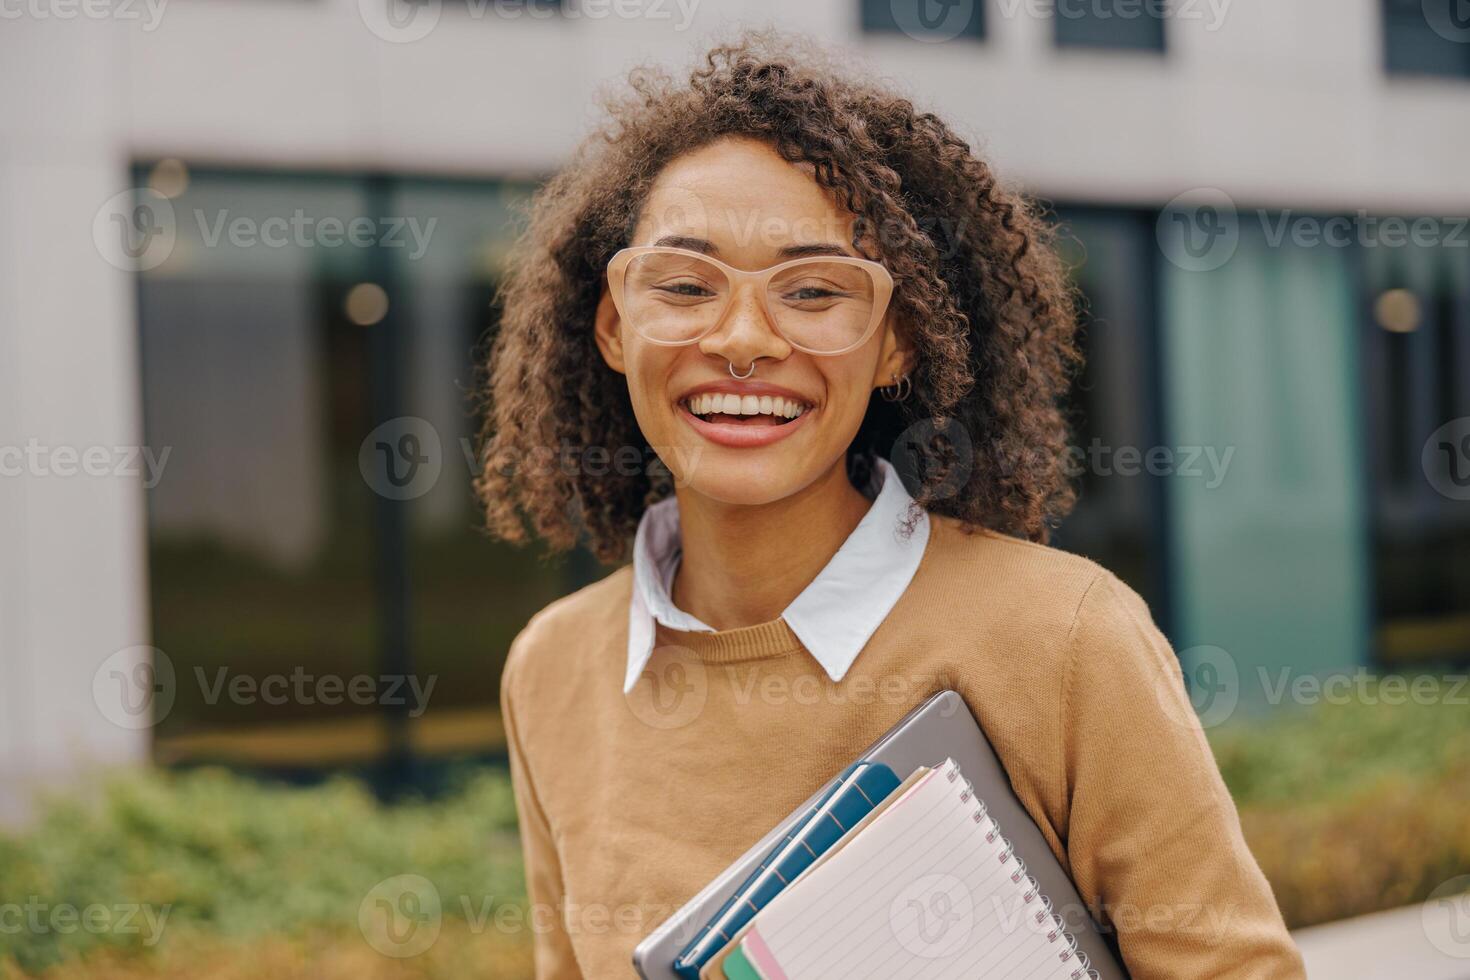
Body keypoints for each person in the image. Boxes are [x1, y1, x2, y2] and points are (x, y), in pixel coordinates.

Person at [479, 34, 1304, 979]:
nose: (742, 340)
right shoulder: (552, 670)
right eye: (683, 285)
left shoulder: (1064, 641)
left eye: (815, 289)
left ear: (897, 340)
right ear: (616, 326)